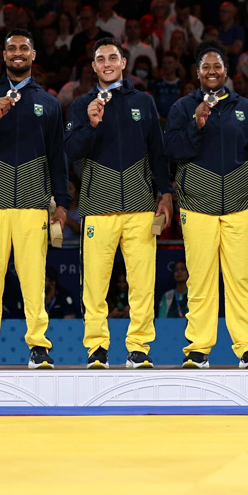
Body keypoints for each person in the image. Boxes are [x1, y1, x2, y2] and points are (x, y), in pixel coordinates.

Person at [0, 28, 70, 369]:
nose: (18, 53)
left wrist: (62, 202)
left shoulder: (49, 103)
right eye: (11, 49)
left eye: (24, 47)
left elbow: (58, 156)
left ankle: (39, 347)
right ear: (4, 56)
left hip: (32, 205)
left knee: (34, 279)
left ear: (33, 55)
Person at [64, 37, 173, 369]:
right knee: (95, 286)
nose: (108, 63)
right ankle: (97, 348)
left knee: (142, 285)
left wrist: (165, 192)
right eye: (101, 59)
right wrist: (92, 125)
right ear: (94, 66)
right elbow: (70, 150)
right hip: (98, 208)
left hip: (140, 207)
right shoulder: (81, 105)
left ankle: (138, 348)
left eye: (113, 57)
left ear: (124, 63)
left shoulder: (143, 101)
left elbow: (158, 152)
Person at [165, 40, 248, 368]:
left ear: (227, 71)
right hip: (197, 206)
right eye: (205, 67)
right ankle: (199, 350)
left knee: (241, 279)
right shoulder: (183, 108)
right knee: (200, 279)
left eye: (217, 67)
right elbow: (172, 151)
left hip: (241, 205)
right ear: (197, 73)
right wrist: (196, 126)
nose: (212, 72)